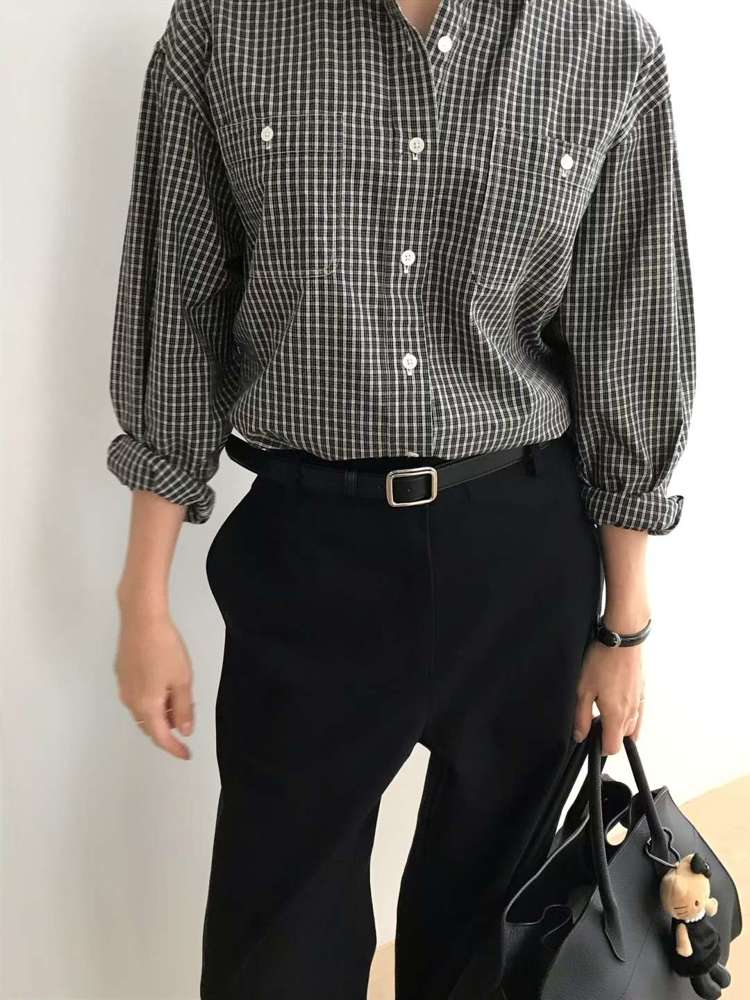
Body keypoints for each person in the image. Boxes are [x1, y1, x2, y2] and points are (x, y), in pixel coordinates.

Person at [107, 0, 696, 997]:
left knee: (495, 937)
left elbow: (628, 334)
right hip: (309, 552)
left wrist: (624, 625)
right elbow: (178, 314)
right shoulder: (225, 29)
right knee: (273, 944)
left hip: (522, 552)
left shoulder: (606, 45)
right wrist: (143, 597)